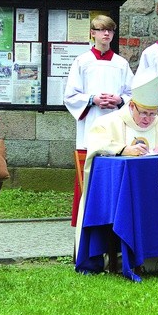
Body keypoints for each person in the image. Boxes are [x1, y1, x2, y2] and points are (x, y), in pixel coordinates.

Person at [76, 75, 158, 271]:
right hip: (122, 194)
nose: (147, 119)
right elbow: (96, 142)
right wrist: (122, 149)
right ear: (132, 106)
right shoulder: (109, 122)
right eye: (143, 113)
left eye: (153, 114)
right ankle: (116, 257)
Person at [64, 15, 133, 227]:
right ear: (92, 33)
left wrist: (119, 99)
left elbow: (133, 95)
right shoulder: (82, 62)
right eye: (101, 30)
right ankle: (85, 218)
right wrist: (92, 100)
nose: (106, 34)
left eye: (110, 31)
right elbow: (70, 96)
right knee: (89, 171)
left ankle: (112, 219)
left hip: (115, 126)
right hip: (91, 124)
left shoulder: (121, 64)